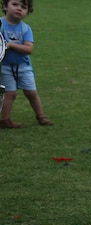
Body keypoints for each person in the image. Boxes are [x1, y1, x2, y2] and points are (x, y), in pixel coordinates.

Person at [0, 0, 52, 129]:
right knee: (9, 94)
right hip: (5, 67)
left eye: (23, 7)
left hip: (24, 67)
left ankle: (41, 116)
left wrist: (11, 45)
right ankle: (5, 120)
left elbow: (29, 49)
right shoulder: (0, 24)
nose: (19, 9)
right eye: (15, 4)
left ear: (27, 13)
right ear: (5, 6)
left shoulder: (25, 29)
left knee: (31, 92)